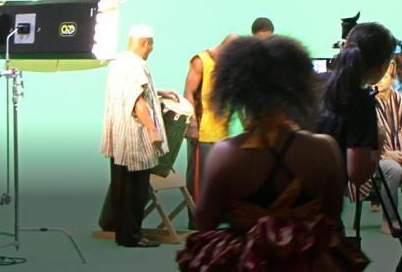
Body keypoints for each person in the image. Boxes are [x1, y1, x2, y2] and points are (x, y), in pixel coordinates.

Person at [177, 35, 353, 271]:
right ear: (297, 87)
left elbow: (205, 222)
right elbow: (331, 217)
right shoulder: (325, 149)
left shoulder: (225, 154)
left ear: (237, 89)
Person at [99, 25, 178, 247]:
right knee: (136, 190)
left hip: (120, 137)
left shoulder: (119, 61)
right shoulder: (136, 65)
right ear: (146, 43)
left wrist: (158, 91)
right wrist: (153, 130)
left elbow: (130, 90)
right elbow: (137, 100)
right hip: (135, 138)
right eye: (150, 47)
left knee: (121, 186)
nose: (150, 50)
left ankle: (123, 234)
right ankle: (133, 236)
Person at [317, 22, 396, 196]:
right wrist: (378, 144)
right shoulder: (361, 104)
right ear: (384, 65)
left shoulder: (318, 82)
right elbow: (357, 174)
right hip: (320, 205)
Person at [182, 34, 238, 229]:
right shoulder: (201, 61)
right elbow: (188, 93)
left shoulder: (228, 66)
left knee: (221, 177)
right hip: (202, 130)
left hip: (221, 131)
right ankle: (197, 218)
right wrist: (192, 125)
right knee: (199, 178)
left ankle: (218, 214)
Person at [372, 61, 402, 234]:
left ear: (391, 76)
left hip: (400, 152)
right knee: (394, 170)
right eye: (376, 78)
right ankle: (389, 220)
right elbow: (365, 140)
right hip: (374, 158)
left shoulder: (398, 97)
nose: (380, 81)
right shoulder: (368, 102)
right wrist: (387, 154)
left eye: (383, 77)